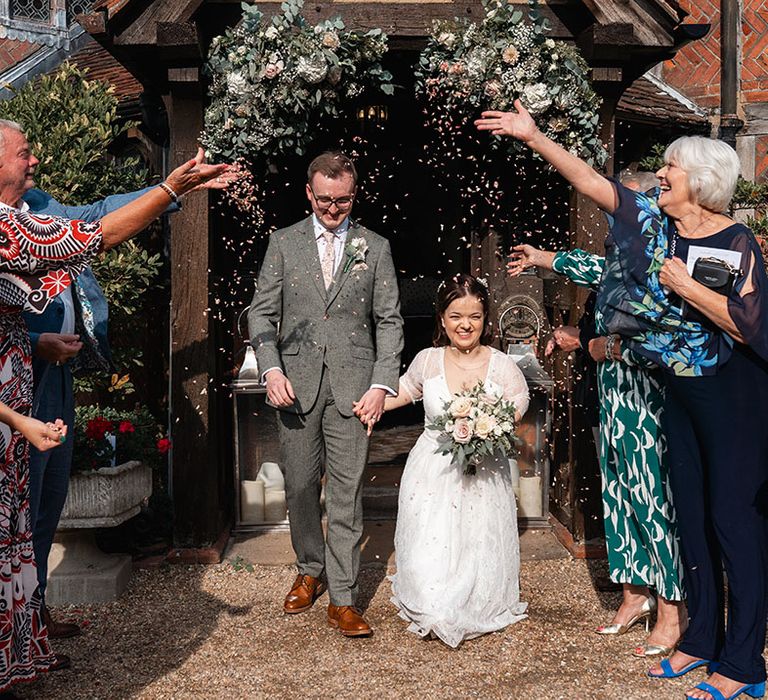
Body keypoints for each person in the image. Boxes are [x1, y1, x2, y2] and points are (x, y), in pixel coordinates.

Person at [478, 103, 768, 700]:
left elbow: (750, 326)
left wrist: (685, 285)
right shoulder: (648, 222)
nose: (660, 175)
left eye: (670, 168)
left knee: (733, 523)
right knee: (689, 516)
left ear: (702, 181)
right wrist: (534, 136)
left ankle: (745, 665)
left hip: (731, 396)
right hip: (677, 395)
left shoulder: (737, 242)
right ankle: (700, 640)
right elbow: (587, 178)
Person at [0, 118, 227, 694]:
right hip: (12, 395)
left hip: (33, 387)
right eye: (23, 153)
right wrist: (171, 189)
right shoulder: (6, 228)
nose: (34, 161)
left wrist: (172, 190)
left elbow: (93, 214)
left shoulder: (32, 208)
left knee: (27, 518)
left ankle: (26, 630)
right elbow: (92, 236)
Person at [508, 172, 686, 659]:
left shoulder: (665, 254)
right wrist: (545, 258)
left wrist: (602, 345)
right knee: (618, 489)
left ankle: (673, 607)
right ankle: (633, 595)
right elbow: (600, 268)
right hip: (613, 393)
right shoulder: (624, 254)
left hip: (650, 393)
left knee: (654, 495)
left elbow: (662, 337)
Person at [248, 151, 403, 637]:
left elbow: (390, 320)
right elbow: (260, 315)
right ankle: (309, 567)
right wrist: (270, 371)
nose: (334, 209)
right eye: (325, 200)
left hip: (353, 390)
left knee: (346, 491)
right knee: (298, 486)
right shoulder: (283, 243)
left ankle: (343, 596)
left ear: (353, 196)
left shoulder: (374, 247)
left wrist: (381, 385)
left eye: (344, 200)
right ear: (308, 194)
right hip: (294, 387)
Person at [380, 273, 529, 648]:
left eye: (475, 316)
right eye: (456, 316)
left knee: (476, 541)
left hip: (484, 473)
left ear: (485, 319)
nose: (465, 325)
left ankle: (476, 594)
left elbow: (519, 400)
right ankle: (434, 596)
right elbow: (404, 391)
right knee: (433, 543)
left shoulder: (501, 365)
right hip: (433, 470)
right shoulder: (427, 360)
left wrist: (496, 422)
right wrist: (368, 404)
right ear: (442, 319)